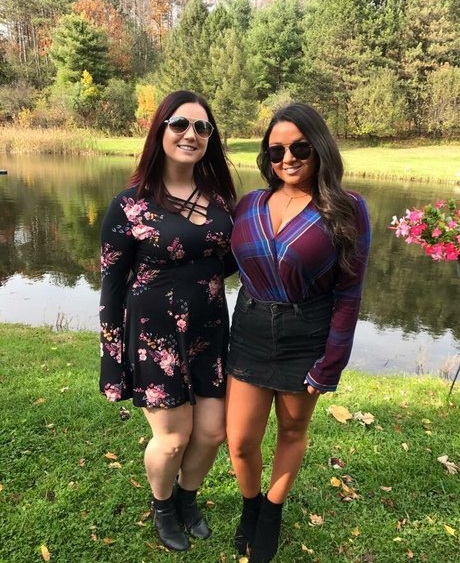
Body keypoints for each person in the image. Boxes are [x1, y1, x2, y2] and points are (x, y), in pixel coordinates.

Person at [226, 103, 371, 562]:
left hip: (306, 334)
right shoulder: (248, 204)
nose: (287, 158)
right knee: (240, 441)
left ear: (320, 147)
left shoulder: (347, 209)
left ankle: (271, 512)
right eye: (276, 151)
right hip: (249, 331)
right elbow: (219, 263)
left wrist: (332, 362)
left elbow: (349, 294)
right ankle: (251, 505)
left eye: (299, 148)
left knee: (291, 430)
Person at [99, 90, 237, 552]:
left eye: (202, 127)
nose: (190, 134)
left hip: (210, 331)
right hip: (153, 338)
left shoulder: (221, 201)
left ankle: (186, 498)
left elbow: (227, 261)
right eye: (179, 124)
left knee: (213, 432)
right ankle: (162, 506)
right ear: (159, 131)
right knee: (173, 438)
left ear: (210, 138)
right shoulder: (129, 206)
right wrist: (112, 359)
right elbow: (111, 288)